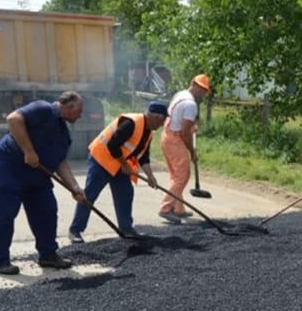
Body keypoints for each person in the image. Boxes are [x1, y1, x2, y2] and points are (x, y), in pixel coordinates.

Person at [0, 91, 88, 275]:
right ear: (67, 106)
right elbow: (13, 119)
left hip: (38, 174)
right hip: (11, 168)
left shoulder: (63, 133)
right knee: (4, 213)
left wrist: (74, 187)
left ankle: (48, 254)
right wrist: (28, 150)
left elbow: (60, 162)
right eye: (79, 111)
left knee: (47, 210)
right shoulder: (43, 109)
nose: (80, 115)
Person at [68, 101, 167, 242]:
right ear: (155, 117)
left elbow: (143, 156)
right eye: (162, 121)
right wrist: (124, 165)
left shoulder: (148, 132)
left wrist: (150, 176)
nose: (162, 125)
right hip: (101, 160)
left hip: (119, 165)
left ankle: (126, 229)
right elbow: (112, 144)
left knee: (125, 193)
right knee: (89, 194)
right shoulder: (131, 123)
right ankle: (75, 230)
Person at [158, 74, 211, 224]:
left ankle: (178, 209)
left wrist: (191, 126)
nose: (203, 93)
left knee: (176, 176)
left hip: (167, 135)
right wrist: (192, 152)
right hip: (175, 139)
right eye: (201, 89)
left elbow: (179, 119)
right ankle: (166, 208)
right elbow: (185, 132)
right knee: (182, 176)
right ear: (194, 84)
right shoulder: (190, 104)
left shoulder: (181, 94)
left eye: (205, 90)